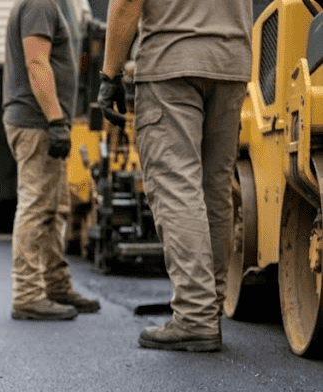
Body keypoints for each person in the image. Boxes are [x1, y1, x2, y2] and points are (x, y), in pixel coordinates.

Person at [100, 0, 253, 351]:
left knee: (176, 186)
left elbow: (127, 3)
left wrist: (110, 74)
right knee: (215, 191)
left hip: (172, 62)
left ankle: (195, 317)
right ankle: (208, 310)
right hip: (232, 63)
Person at [3, 0, 101, 321]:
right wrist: (56, 120)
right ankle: (27, 294)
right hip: (38, 122)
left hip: (43, 122)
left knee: (55, 207)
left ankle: (55, 284)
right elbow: (36, 62)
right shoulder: (39, 4)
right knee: (36, 206)